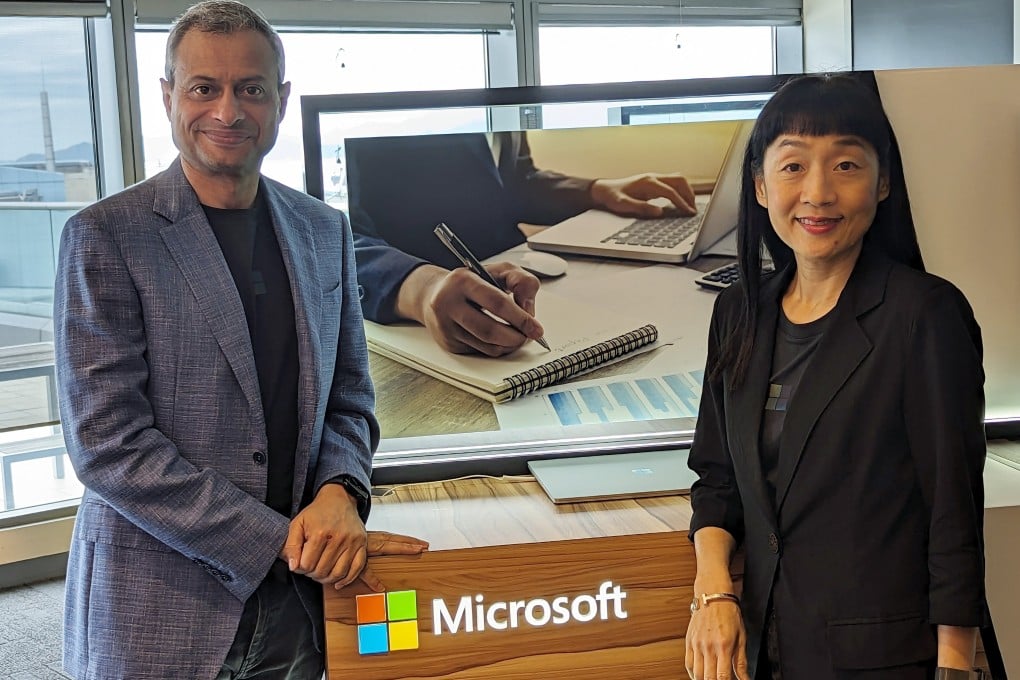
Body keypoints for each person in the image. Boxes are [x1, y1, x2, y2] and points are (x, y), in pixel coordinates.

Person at [53, 2, 426, 678]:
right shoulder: (107, 236)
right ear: (168, 97)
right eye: (204, 88)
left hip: (303, 605)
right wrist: (279, 540)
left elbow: (348, 397)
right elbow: (107, 445)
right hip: (164, 606)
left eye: (250, 89)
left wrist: (342, 490)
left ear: (279, 101)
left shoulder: (324, 230)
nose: (228, 111)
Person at [684, 73, 987, 679]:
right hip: (767, 650)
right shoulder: (738, 311)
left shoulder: (923, 314)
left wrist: (957, 665)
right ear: (761, 186)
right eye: (793, 166)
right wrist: (713, 593)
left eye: (846, 165)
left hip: (885, 660)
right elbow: (718, 480)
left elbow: (953, 508)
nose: (817, 193)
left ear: (883, 183)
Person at [348, 130, 698, 356]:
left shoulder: (506, 43)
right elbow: (335, 232)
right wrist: (422, 289)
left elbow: (511, 180)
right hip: (421, 332)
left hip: (513, 286)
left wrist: (596, 191)